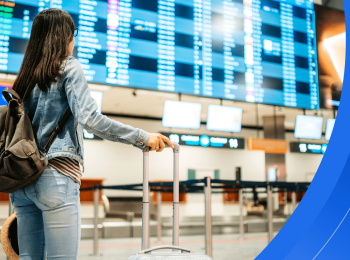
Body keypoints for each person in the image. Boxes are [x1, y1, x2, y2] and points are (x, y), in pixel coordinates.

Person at [10, 8, 173, 260]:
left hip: (21, 182)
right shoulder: (67, 66)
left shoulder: (23, 78)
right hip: (56, 177)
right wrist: (142, 137)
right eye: (73, 34)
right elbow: (91, 120)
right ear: (65, 36)